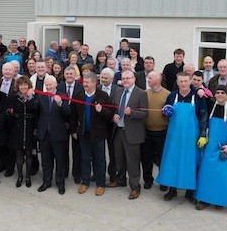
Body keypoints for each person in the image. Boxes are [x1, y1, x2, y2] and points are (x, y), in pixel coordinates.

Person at [156, 72, 208, 203]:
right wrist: (165, 111)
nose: (183, 84)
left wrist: (203, 135)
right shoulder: (172, 96)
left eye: (186, 81)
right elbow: (167, 113)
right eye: (181, 81)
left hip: (191, 136)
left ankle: (190, 192)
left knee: (191, 162)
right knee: (172, 161)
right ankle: (172, 190)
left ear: (190, 81)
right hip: (174, 136)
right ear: (177, 82)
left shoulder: (198, 96)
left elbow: (203, 116)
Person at [194, 85, 227, 210]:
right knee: (206, 174)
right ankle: (204, 200)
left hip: (224, 149)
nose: (220, 95)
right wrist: (200, 90)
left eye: (222, 93)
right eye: (218, 92)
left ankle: (220, 200)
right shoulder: (211, 106)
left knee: (222, 175)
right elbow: (201, 92)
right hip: (210, 147)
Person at [107, 70, 148, 200]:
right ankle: (120, 180)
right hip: (118, 131)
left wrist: (132, 113)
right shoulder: (118, 91)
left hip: (133, 133)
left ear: (134, 79)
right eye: (123, 78)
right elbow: (113, 107)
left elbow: (145, 114)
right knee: (119, 159)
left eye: (128, 78)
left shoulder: (141, 93)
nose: (125, 80)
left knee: (133, 162)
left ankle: (135, 187)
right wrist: (113, 115)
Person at [70, 72, 113, 196]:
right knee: (84, 158)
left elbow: (110, 113)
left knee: (99, 159)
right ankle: (85, 182)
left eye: (87, 82)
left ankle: (100, 184)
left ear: (95, 83)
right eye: (84, 82)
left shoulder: (103, 95)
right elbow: (73, 115)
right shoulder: (78, 96)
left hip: (98, 133)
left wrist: (102, 110)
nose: (85, 84)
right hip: (83, 133)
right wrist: (73, 130)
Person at [36, 76, 71, 194]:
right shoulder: (41, 95)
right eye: (47, 85)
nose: (49, 87)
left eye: (51, 85)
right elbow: (35, 108)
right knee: (46, 160)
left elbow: (68, 112)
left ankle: (60, 183)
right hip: (44, 134)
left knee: (60, 160)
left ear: (56, 85)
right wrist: (29, 97)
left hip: (58, 134)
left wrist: (60, 103)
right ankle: (46, 182)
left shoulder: (63, 95)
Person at [6, 76, 38, 187]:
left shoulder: (34, 97)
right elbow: (8, 111)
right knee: (18, 154)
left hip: (30, 127)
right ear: (17, 86)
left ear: (29, 86)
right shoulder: (13, 97)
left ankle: (28, 176)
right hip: (17, 127)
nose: (23, 87)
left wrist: (29, 97)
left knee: (29, 153)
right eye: (21, 85)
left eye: (25, 85)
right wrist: (9, 112)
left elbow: (35, 108)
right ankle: (20, 176)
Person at [142, 71, 170, 190]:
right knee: (146, 157)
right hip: (147, 131)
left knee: (162, 158)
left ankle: (163, 181)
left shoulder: (168, 94)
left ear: (157, 80)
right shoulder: (144, 93)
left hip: (162, 132)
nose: (148, 80)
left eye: (150, 78)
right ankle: (148, 179)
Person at [58, 67, 84, 185]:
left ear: (75, 75)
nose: (69, 75)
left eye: (71, 74)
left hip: (75, 123)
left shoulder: (80, 87)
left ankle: (77, 174)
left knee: (77, 150)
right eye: (67, 73)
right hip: (62, 122)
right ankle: (64, 172)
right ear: (64, 75)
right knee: (63, 150)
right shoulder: (59, 86)